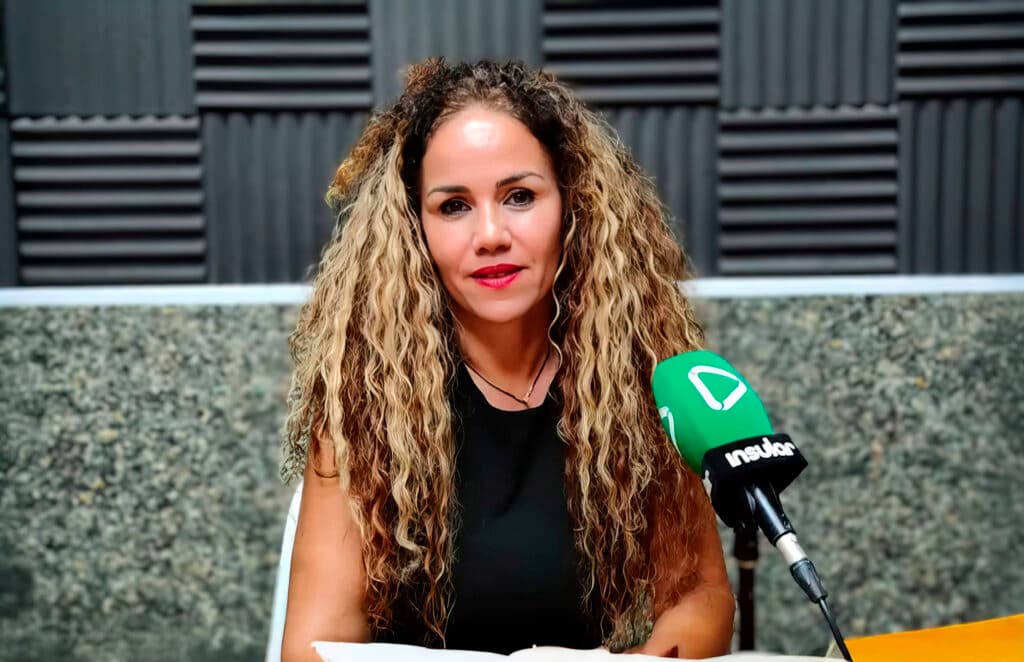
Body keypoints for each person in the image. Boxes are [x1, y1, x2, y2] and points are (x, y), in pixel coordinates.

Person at [279, 58, 734, 662]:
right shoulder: (366, 404)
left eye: (519, 196)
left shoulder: (638, 386)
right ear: (416, 228)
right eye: (453, 206)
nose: (490, 234)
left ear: (573, 205)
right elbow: (314, 646)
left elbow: (699, 596)